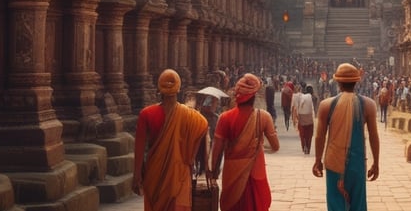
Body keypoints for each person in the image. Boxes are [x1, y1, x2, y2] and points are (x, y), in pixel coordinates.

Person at [133, 69, 208, 211]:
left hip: (154, 174)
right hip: (179, 174)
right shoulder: (190, 115)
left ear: (159, 88)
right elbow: (204, 126)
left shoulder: (146, 113)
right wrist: (191, 155)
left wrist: (137, 176)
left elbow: (139, 147)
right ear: (178, 88)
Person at [312, 63, 380, 211]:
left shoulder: (326, 105)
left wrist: (318, 160)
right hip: (357, 162)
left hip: (333, 162)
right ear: (357, 81)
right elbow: (374, 136)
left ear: (337, 81)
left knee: (335, 203)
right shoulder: (368, 105)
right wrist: (376, 162)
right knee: (358, 204)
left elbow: (320, 137)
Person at [211, 73, 280, 211]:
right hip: (256, 171)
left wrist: (213, 173)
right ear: (254, 96)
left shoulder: (225, 118)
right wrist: (258, 143)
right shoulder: (263, 117)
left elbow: (216, 151)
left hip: (232, 173)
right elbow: (275, 146)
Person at [296, 85, 315, 154]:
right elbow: (313, 109)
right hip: (310, 118)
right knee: (309, 135)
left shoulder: (300, 96)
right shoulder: (312, 98)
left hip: (301, 117)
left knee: (302, 134)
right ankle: (308, 148)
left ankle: (304, 146)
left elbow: (297, 107)